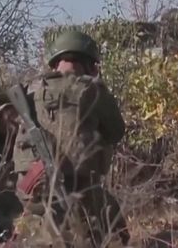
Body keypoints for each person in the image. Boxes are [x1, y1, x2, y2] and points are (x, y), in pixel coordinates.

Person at [11, 30, 129, 244]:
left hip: (32, 189)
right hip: (78, 188)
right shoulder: (92, 89)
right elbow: (116, 131)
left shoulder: (30, 91)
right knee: (112, 229)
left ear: (54, 62)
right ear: (90, 64)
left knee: (38, 226)